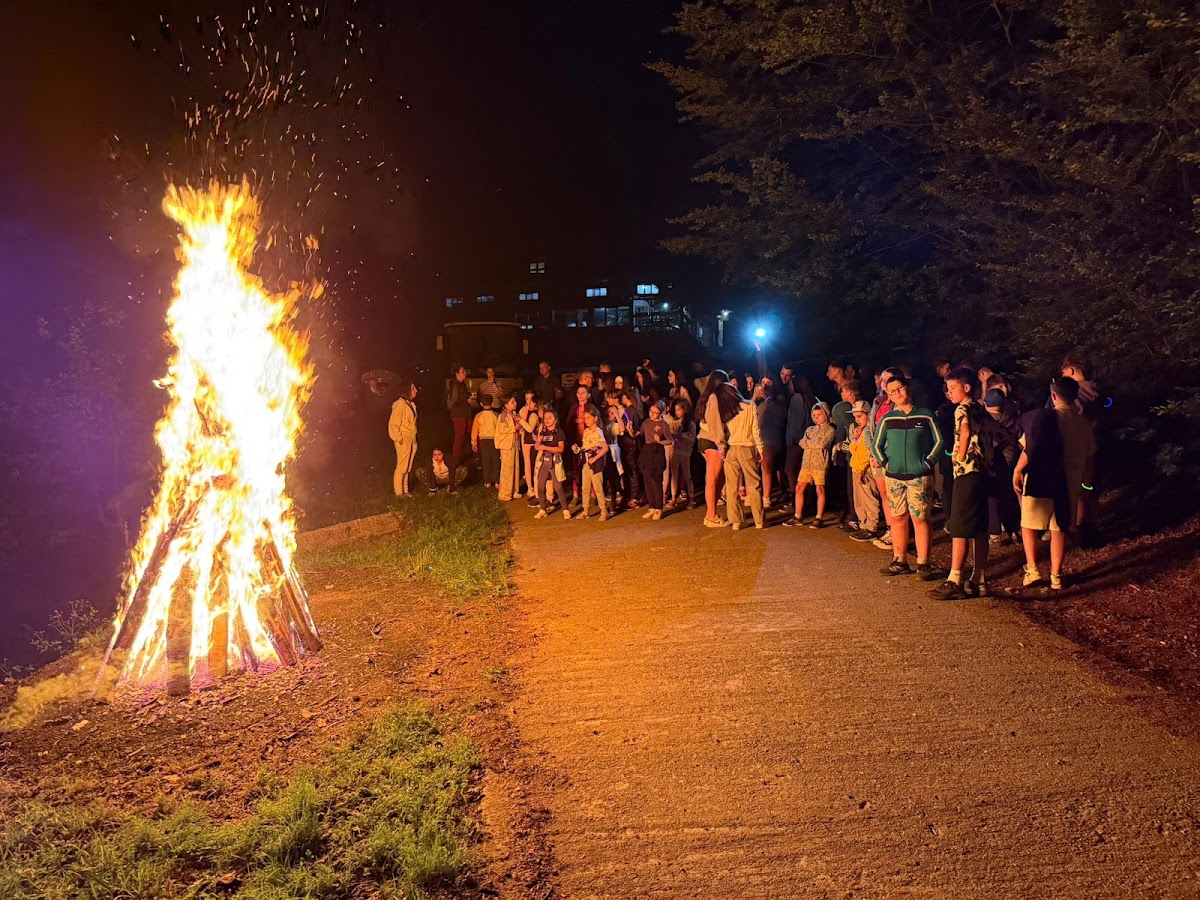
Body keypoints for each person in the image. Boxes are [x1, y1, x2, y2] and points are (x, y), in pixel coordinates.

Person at [1014, 376, 1096, 589]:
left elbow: (1029, 448)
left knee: (1028, 523)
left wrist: (1018, 469)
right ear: (1075, 396)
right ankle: (1056, 575)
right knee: (1059, 526)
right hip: (1069, 483)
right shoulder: (1083, 424)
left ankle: (1032, 569)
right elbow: (1090, 457)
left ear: (1053, 395)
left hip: (1042, 478)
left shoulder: (1045, 419)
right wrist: (1087, 485)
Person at [929, 368, 995, 600]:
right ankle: (979, 578)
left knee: (959, 526)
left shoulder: (963, 408)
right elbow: (1001, 433)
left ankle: (955, 579)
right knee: (980, 527)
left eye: (953, 388)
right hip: (984, 473)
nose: (949, 392)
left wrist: (960, 455)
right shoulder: (981, 408)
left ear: (966, 388)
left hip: (967, 472)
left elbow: (964, 431)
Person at [873, 375, 944, 578]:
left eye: (900, 388)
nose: (897, 393)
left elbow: (939, 441)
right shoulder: (888, 418)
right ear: (888, 395)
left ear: (908, 388)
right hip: (894, 477)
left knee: (920, 518)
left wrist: (928, 462)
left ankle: (924, 563)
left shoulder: (925, 415)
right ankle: (899, 559)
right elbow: (876, 445)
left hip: (919, 477)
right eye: (892, 391)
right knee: (897, 517)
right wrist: (886, 464)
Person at [697, 370, 744, 528]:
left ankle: (711, 514)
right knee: (712, 478)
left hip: (708, 439)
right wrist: (721, 445)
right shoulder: (714, 398)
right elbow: (716, 423)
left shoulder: (709, 397)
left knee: (718, 478)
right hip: (712, 441)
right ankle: (711, 516)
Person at [783, 402, 836, 528]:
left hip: (820, 464)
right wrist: (811, 442)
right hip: (806, 463)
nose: (817, 418)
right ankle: (798, 516)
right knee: (799, 488)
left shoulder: (830, 430)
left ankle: (819, 517)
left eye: (819, 415)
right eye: (814, 415)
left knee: (820, 489)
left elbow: (822, 444)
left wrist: (809, 443)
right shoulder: (810, 429)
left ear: (826, 414)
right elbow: (802, 443)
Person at [723, 385, 765, 530]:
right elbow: (755, 429)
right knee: (753, 484)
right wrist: (760, 448)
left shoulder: (726, 409)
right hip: (747, 447)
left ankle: (736, 521)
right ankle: (759, 520)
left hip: (731, 448)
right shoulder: (750, 405)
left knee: (731, 486)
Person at [842, 400, 884, 541]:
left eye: (860, 416)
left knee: (869, 499)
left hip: (865, 470)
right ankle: (863, 525)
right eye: (855, 417)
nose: (857, 420)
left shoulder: (869, 432)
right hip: (856, 468)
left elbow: (867, 453)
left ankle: (872, 527)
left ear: (868, 415)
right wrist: (855, 438)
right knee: (859, 500)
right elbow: (853, 450)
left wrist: (860, 470)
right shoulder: (859, 431)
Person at [984, 388, 1021, 543]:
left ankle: (994, 531)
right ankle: (1013, 528)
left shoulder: (985, 421)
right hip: (1010, 460)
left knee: (992, 496)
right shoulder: (1012, 420)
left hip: (991, 461)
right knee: (1008, 494)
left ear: (985, 403)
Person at [533, 409, 571, 520]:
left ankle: (565, 509)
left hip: (554, 461)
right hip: (544, 460)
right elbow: (538, 445)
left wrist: (545, 447)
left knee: (558, 486)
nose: (547, 420)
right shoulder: (544, 432)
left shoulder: (559, 432)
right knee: (540, 486)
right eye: (545, 418)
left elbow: (560, 449)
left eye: (550, 417)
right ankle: (543, 509)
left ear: (555, 419)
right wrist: (538, 442)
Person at [639, 401, 674, 520]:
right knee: (647, 481)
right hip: (647, 451)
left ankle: (659, 508)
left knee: (656, 481)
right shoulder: (646, 422)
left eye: (655, 412)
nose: (652, 414)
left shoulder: (664, 425)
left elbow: (670, 441)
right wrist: (631, 431)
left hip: (657, 451)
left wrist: (660, 441)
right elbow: (638, 433)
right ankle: (652, 507)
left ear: (661, 413)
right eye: (651, 411)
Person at [757, 378, 789, 508]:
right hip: (758, 436)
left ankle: (766, 497)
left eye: (768, 383)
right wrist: (754, 397)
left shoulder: (779, 399)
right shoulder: (759, 401)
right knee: (757, 466)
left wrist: (768, 398)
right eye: (763, 383)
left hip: (771, 436)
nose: (765, 386)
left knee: (766, 465)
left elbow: (781, 415)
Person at [575, 406, 610, 520]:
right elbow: (585, 447)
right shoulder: (586, 431)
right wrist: (577, 449)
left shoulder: (598, 431)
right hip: (586, 462)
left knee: (598, 487)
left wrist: (594, 459)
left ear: (595, 418)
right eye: (585, 418)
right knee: (585, 487)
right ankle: (585, 511)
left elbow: (605, 448)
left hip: (595, 463)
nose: (586, 420)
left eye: (589, 418)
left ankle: (603, 510)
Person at [387, 381, 419, 497]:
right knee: (402, 465)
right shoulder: (400, 405)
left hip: (412, 437)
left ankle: (405, 490)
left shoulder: (411, 404)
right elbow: (393, 424)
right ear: (407, 390)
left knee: (408, 466)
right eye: (413, 388)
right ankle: (399, 491)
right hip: (404, 438)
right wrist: (399, 438)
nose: (416, 391)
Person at [445, 366, 472, 494]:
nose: (465, 373)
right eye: (462, 371)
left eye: (464, 371)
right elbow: (454, 401)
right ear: (457, 373)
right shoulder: (455, 385)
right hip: (459, 414)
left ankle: (467, 458)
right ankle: (454, 462)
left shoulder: (462, 384)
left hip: (465, 413)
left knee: (469, 434)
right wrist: (466, 400)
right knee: (459, 437)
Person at [666, 398, 696, 508]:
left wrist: (681, 435)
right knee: (674, 475)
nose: (677, 412)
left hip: (685, 452)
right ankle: (674, 498)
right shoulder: (675, 423)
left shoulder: (690, 424)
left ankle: (691, 499)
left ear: (685, 409)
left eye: (679, 409)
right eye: (675, 410)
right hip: (675, 450)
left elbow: (692, 436)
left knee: (687, 475)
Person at [565, 384, 592, 504]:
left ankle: (592, 493)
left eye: (583, 393)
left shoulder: (591, 407)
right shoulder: (573, 408)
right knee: (576, 468)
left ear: (588, 395)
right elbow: (568, 425)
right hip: (576, 441)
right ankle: (576, 494)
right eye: (578, 393)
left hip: (589, 442)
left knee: (590, 467)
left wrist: (584, 420)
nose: (580, 395)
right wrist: (571, 442)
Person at [618, 391, 643, 508]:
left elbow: (626, 427)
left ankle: (634, 496)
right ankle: (631, 495)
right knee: (631, 469)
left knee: (631, 469)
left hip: (629, 442)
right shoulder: (634, 411)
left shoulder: (629, 411)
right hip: (631, 442)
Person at [495, 394, 521, 502]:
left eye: (515, 401)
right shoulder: (504, 415)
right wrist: (515, 428)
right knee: (507, 469)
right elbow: (502, 429)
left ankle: (514, 490)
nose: (515, 403)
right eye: (512, 402)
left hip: (514, 443)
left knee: (515, 467)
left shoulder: (513, 414)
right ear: (506, 405)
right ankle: (504, 493)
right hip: (507, 445)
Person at [471, 395, 500, 489]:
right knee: (496, 460)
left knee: (485, 460)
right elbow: (499, 429)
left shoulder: (478, 416)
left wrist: (474, 442)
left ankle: (487, 481)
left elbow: (474, 430)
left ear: (481, 404)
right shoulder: (496, 415)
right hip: (494, 439)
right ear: (492, 403)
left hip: (483, 440)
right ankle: (497, 481)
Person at [518, 390, 541, 498]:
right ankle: (530, 487)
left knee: (537, 463)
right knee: (527, 463)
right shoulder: (523, 410)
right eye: (527, 399)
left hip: (537, 440)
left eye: (531, 399)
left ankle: (538, 486)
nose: (529, 402)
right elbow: (521, 426)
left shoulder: (539, 410)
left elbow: (530, 427)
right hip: (526, 440)